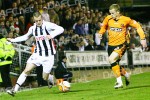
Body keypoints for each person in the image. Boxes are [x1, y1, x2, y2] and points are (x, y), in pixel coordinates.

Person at [6, 11, 64, 96]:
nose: (38, 22)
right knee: (26, 70)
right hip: (37, 54)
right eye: (36, 21)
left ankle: (50, 78)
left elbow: (61, 29)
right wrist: (13, 40)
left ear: (42, 19)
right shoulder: (33, 28)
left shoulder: (47, 25)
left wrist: (51, 35)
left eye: (39, 20)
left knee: (45, 77)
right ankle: (14, 90)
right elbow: (25, 37)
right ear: (34, 20)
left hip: (48, 56)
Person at [98, 4, 147, 89]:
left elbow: (138, 26)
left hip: (122, 44)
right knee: (114, 63)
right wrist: (100, 33)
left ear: (118, 12)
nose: (111, 15)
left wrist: (142, 39)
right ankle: (126, 74)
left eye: (113, 13)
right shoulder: (108, 18)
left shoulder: (126, 20)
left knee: (111, 59)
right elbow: (104, 26)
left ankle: (119, 82)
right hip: (111, 45)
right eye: (110, 13)